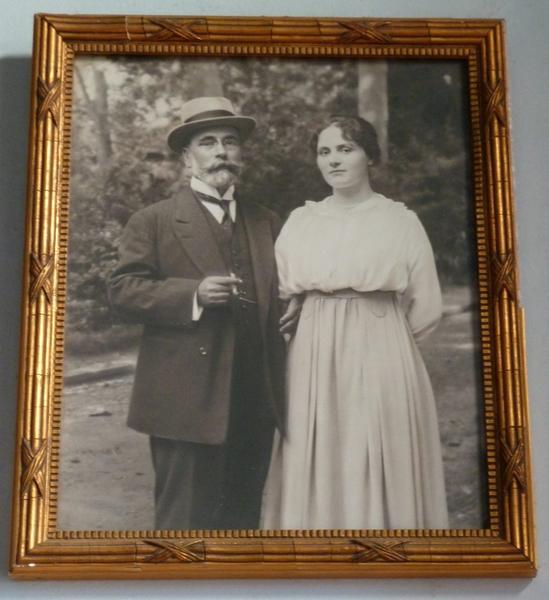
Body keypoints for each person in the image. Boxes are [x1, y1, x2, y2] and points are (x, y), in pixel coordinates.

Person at [261, 115, 449, 530]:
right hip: (312, 352)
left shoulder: (400, 221)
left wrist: (387, 341)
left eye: (346, 149)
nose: (334, 160)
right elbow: (281, 293)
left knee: (376, 445)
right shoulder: (301, 221)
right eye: (324, 152)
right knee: (319, 443)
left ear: (370, 156)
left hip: (381, 344)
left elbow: (426, 305)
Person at [109, 97, 286, 531]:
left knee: (242, 520)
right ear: (187, 157)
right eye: (207, 142)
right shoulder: (154, 220)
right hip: (184, 400)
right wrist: (193, 294)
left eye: (230, 141)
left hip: (254, 396)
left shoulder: (267, 221)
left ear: (242, 152)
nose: (221, 151)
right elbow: (122, 290)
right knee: (184, 524)